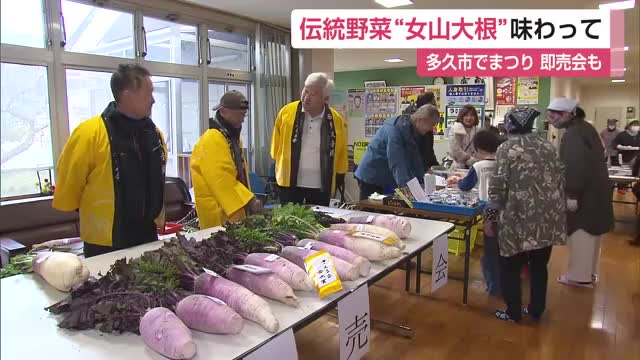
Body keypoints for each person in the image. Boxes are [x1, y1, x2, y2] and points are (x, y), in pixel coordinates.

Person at [53, 64, 167, 258]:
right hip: (105, 241)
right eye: (149, 93)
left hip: (147, 233)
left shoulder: (154, 134)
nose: (153, 100)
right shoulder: (90, 133)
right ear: (127, 94)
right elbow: (69, 186)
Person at [488, 107, 567, 322]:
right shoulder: (548, 146)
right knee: (539, 266)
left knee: (510, 266)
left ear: (510, 124)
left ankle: (513, 311)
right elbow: (560, 178)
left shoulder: (507, 148)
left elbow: (497, 187)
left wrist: (490, 217)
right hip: (547, 217)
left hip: (517, 217)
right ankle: (536, 310)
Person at [547, 99, 615, 287]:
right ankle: (588, 272)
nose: (551, 120)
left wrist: (572, 194)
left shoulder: (573, 134)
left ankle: (579, 276)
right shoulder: (586, 128)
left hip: (584, 193)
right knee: (592, 236)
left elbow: (574, 166)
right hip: (596, 189)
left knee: (581, 233)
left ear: (569, 114)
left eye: (555, 115)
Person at [270, 73, 348, 206]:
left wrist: (340, 174)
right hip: (289, 182)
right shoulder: (286, 112)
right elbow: (275, 147)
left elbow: (341, 151)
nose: (306, 97)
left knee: (319, 222)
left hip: (321, 184)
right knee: (288, 222)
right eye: (305, 90)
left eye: (313, 94)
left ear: (325, 98)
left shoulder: (335, 120)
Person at [190, 91, 262, 230]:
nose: (243, 118)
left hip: (232, 210)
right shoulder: (212, 139)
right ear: (223, 112)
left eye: (244, 114)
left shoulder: (232, 137)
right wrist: (250, 200)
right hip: (218, 213)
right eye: (240, 114)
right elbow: (222, 179)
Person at [452, 130, 505, 296]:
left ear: (478, 149)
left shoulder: (478, 166)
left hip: (489, 212)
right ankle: (505, 283)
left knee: (490, 254)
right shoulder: (504, 163)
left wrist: (456, 182)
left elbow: (465, 186)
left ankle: (494, 288)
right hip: (506, 211)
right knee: (503, 251)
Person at [355, 104, 440, 200]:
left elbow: (415, 160)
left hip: (387, 176)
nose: (431, 129)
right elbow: (397, 163)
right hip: (371, 175)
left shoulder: (412, 130)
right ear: (421, 120)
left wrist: (422, 183)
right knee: (371, 210)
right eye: (432, 124)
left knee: (389, 210)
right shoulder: (394, 130)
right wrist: (408, 192)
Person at [405, 92, 439, 169]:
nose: (435, 107)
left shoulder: (428, 123)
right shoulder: (411, 125)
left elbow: (429, 150)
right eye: (432, 104)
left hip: (423, 167)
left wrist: (436, 166)